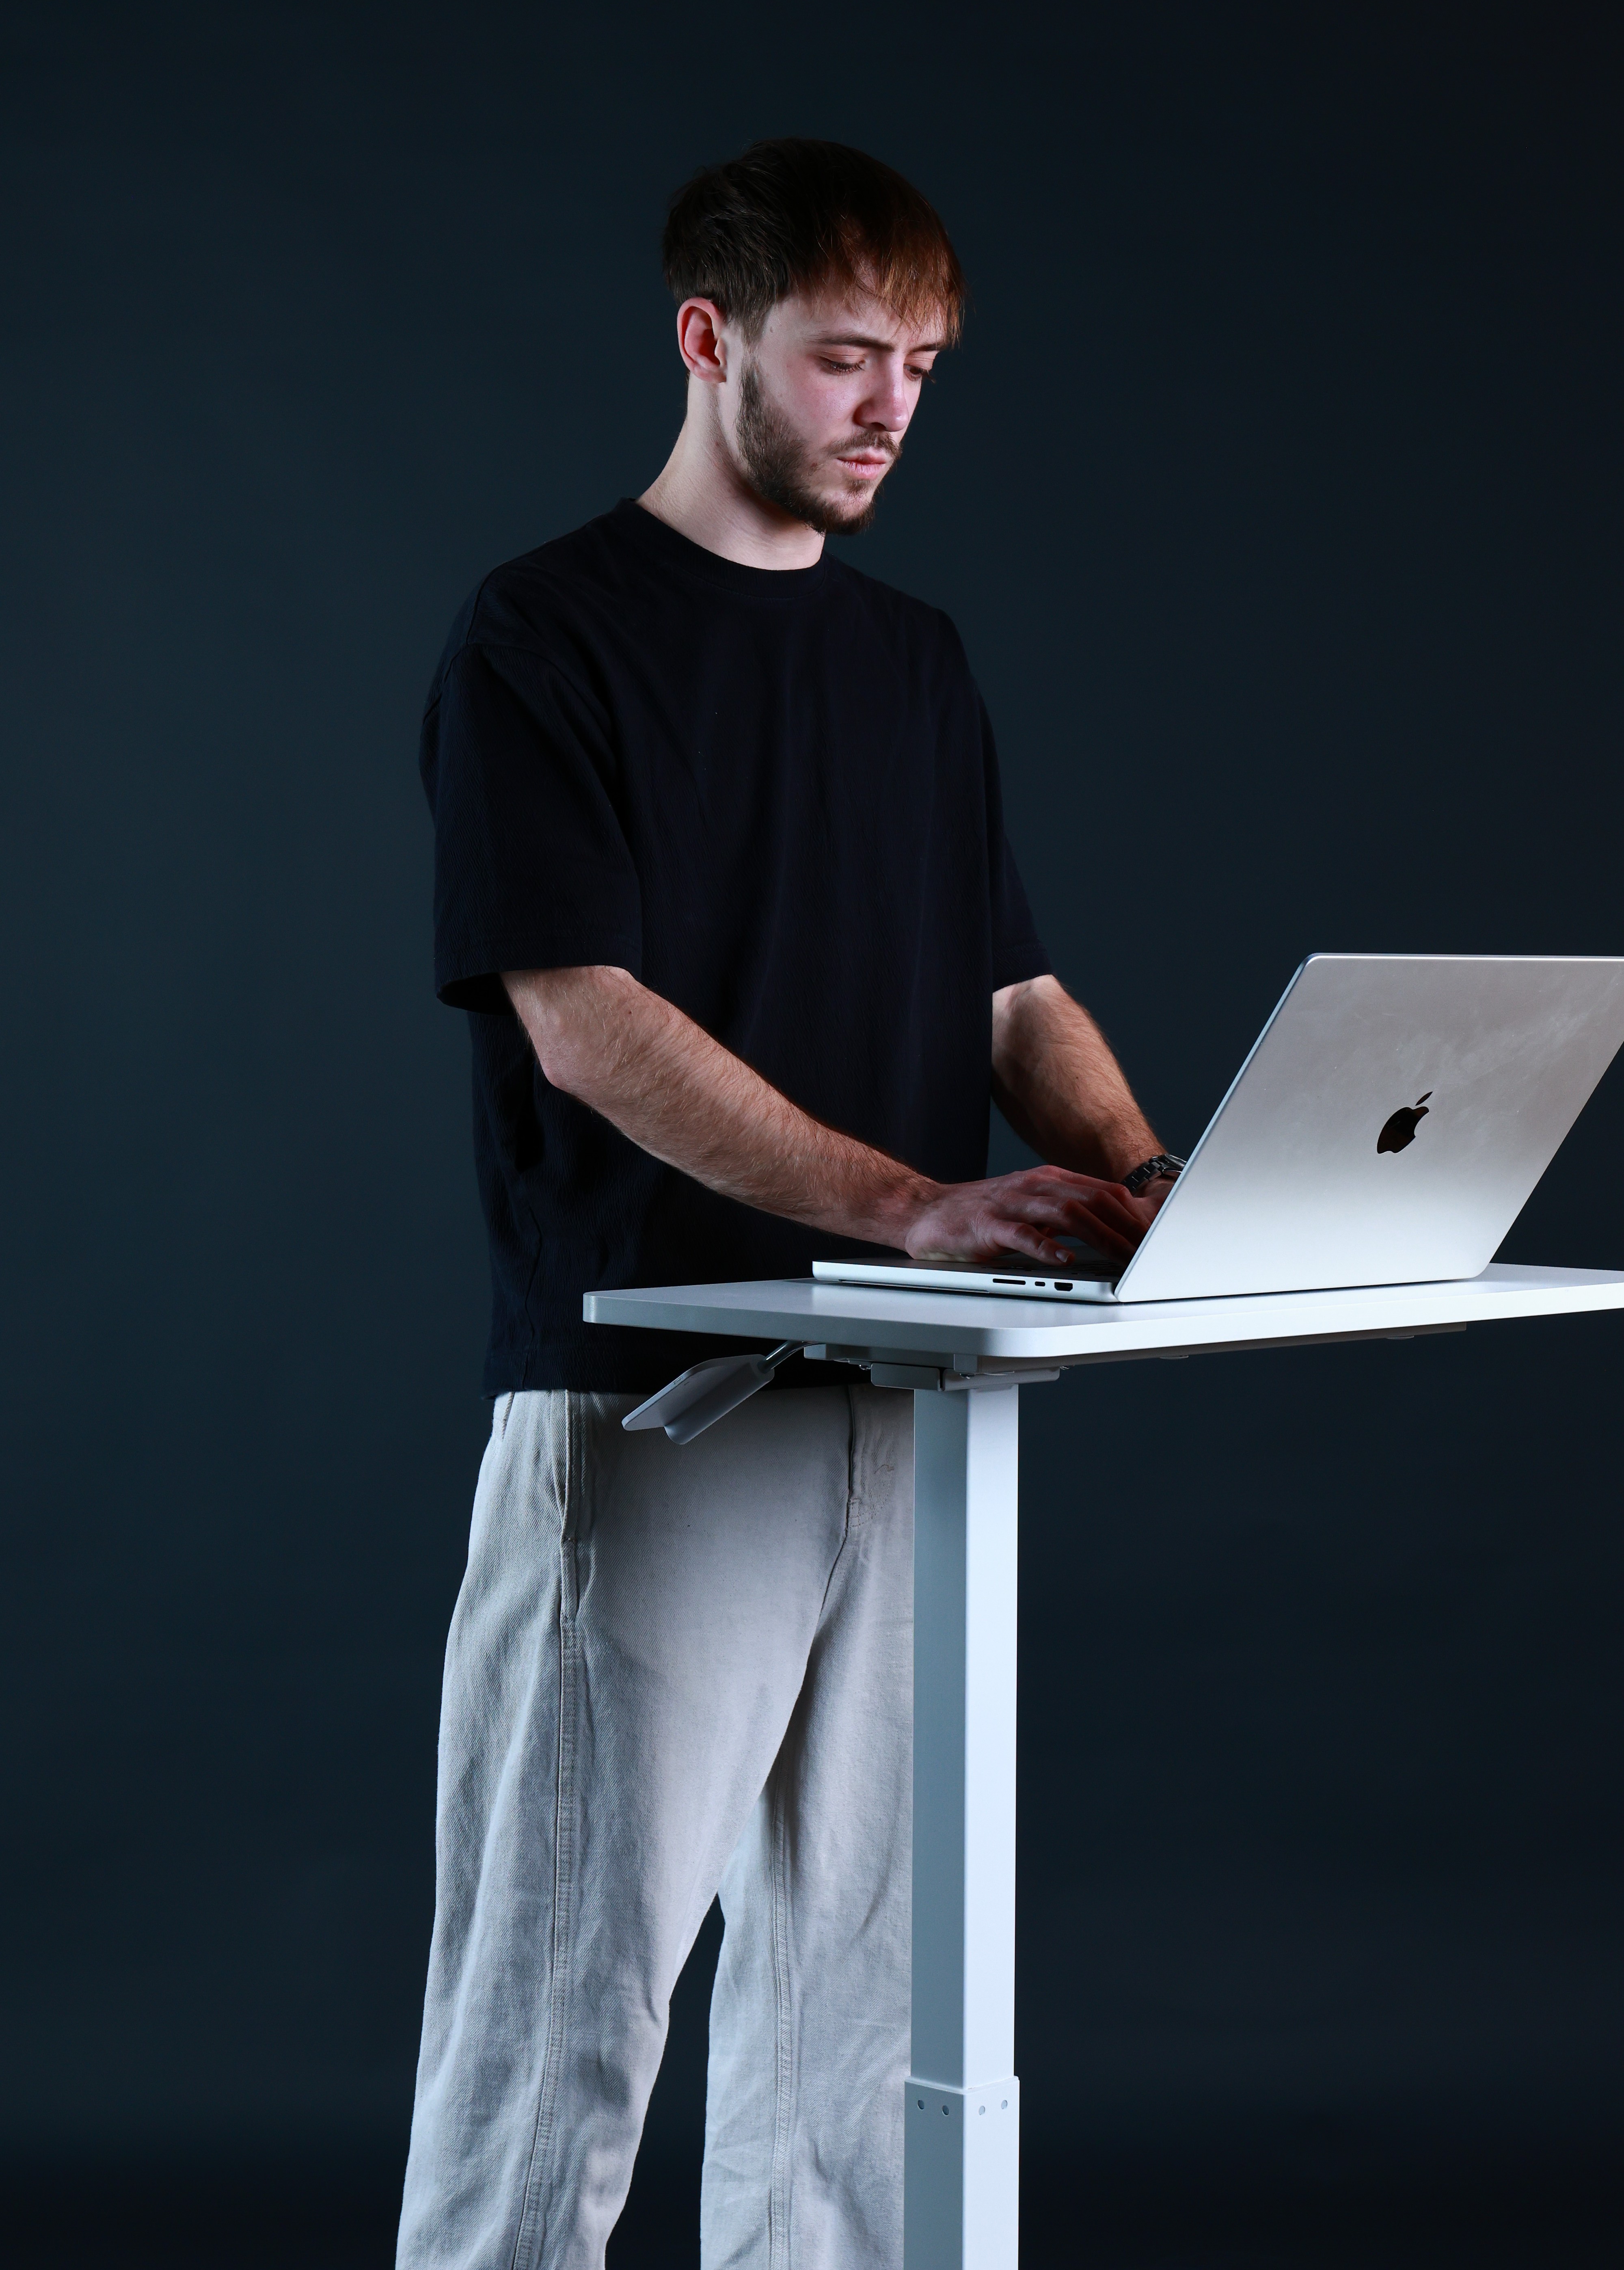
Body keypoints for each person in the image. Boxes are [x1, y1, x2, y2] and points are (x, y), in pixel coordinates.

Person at [398, 138, 1175, 2270]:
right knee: (557, 2026)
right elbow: (583, 1019)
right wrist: (910, 1199)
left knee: (867, 2045)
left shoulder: (914, 661)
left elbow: (1013, 990)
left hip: (910, 1410)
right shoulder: (543, 638)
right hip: (656, 1412)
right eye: (847, 358)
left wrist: (1148, 1173)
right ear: (709, 337)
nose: (892, 409)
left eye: (922, 366)